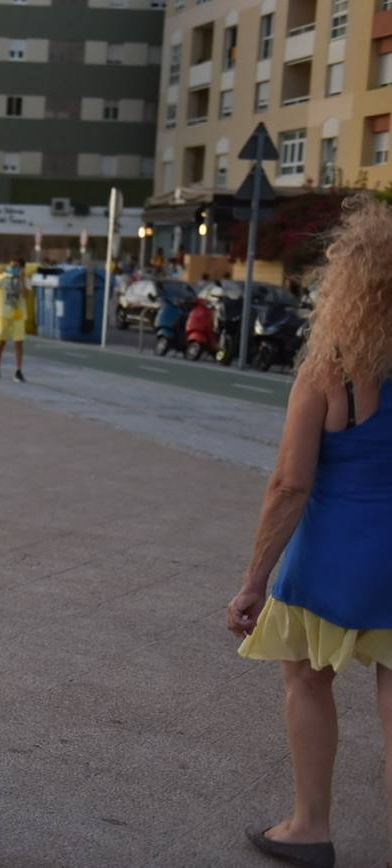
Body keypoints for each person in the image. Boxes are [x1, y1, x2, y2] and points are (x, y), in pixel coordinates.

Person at [225, 197, 392, 868]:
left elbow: (290, 485)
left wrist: (252, 583)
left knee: (306, 678)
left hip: (333, 557)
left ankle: (309, 827)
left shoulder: (330, 370)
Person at [0, 260, 28, 383]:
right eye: (12, 266)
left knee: (19, 342)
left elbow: (26, 294)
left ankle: (18, 370)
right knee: (1, 340)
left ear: (21, 268)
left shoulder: (25, 280)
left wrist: (22, 279)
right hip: (4, 313)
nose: (13, 269)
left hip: (18, 314)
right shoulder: (4, 278)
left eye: (16, 267)